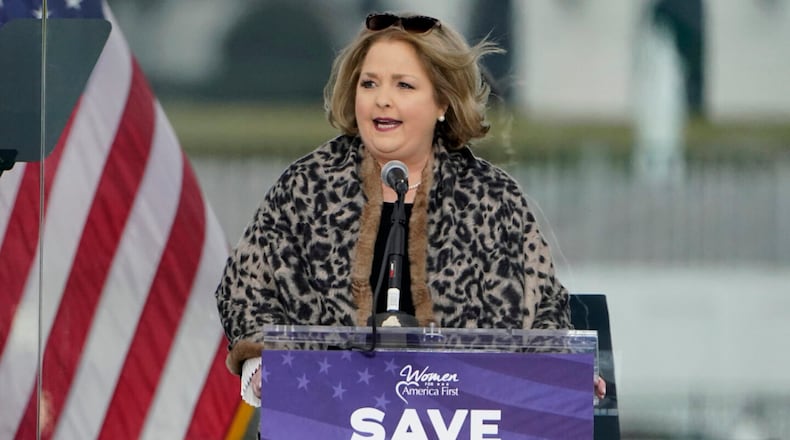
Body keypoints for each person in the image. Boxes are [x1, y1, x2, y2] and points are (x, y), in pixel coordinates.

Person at [214, 11, 606, 406]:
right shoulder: (305, 187)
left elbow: (544, 307)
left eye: (403, 85)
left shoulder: (493, 197)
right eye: (369, 83)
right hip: (330, 415)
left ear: (443, 102)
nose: (382, 99)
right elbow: (246, 288)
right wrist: (261, 365)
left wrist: (561, 374)